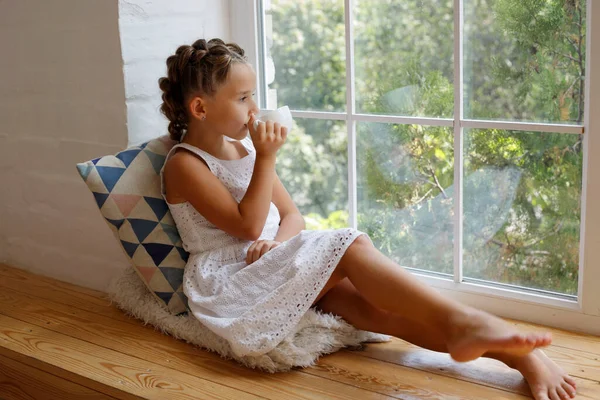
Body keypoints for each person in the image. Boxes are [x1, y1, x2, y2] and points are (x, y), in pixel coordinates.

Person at [159, 38, 577, 400]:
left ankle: (520, 357)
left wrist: (281, 242)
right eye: (244, 98)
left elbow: (291, 216)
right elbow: (247, 227)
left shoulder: (245, 150)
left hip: (275, 260)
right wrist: (268, 158)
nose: (256, 108)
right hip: (231, 280)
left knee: (373, 309)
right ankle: (464, 322)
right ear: (200, 107)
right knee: (351, 246)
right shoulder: (185, 164)